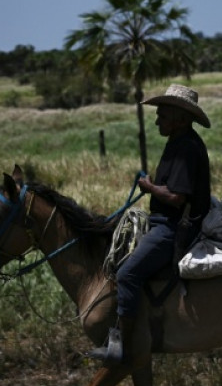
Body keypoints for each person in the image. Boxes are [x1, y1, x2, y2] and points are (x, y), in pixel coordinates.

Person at [90, 84, 212, 366]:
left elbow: (177, 197)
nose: (157, 120)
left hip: (174, 226)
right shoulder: (179, 141)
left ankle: (123, 347)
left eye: (163, 115)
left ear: (181, 118)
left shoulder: (186, 148)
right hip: (165, 221)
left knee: (127, 274)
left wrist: (148, 186)